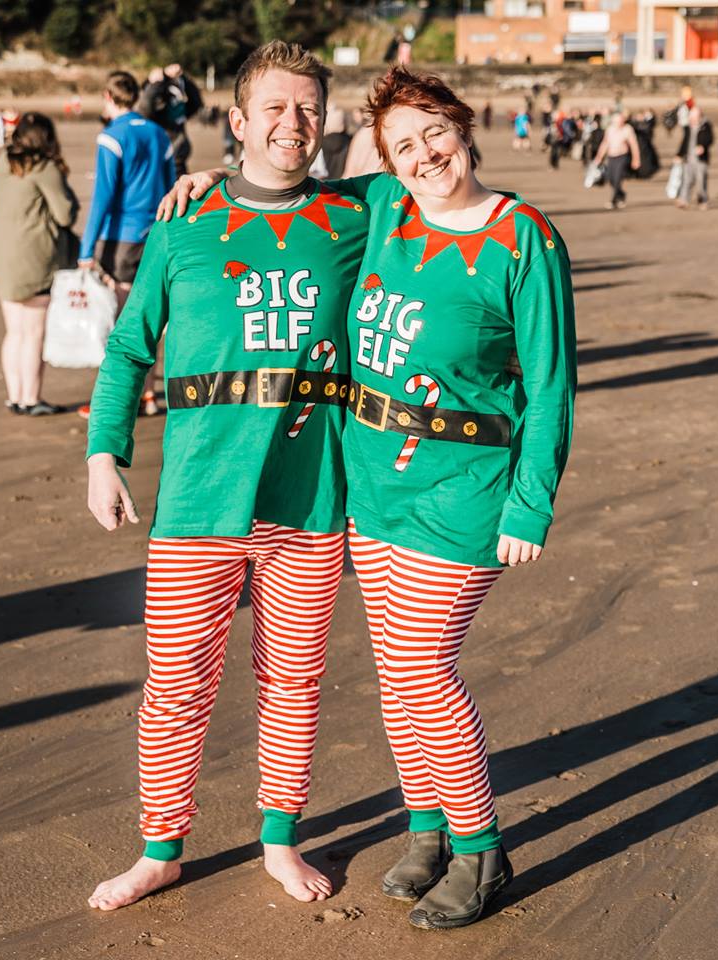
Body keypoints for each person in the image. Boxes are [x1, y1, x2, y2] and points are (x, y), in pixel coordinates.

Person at [163, 64, 575, 933]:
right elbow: (280, 185)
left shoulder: (522, 238)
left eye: (434, 131)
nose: (424, 154)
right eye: (403, 144)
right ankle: (426, 831)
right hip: (368, 485)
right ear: (384, 160)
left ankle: (480, 848)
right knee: (393, 678)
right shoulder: (380, 207)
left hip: (462, 490)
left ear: (464, 127)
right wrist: (209, 177)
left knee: (425, 671)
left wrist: (528, 504)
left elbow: (549, 386)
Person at [85, 41, 370, 913]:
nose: (295, 124)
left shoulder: (364, 215)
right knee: (174, 682)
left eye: (310, 108)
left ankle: (279, 839)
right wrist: (104, 452)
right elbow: (131, 347)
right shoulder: (183, 225)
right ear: (237, 123)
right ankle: (161, 849)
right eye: (275, 109)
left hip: (311, 501)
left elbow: (435, 178)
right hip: (198, 501)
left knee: (293, 680)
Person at [77, 70, 176, 419]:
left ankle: (122, 400)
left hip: (121, 239)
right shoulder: (158, 133)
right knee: (150, 317)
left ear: (108, 96)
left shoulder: (111, 137)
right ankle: (149, 394)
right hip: (155, 234)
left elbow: (102, 198)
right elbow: (171, 187)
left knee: (121, 323)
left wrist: (86, 250)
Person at [0, 112, 79, 415]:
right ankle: (30, 398)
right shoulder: (44, 168)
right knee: (34, 332)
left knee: (14, 331)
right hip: (35, 259)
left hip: (2, 257)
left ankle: (15, 396)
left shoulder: (3, 164)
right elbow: (66, 214)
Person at [138, 63, 203, 177]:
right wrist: (158, 81)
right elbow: (145, 107)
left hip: (177, 160)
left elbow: (196, 103)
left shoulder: (180, 111)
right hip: (160, 161)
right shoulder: (154, 114)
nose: (176, 102)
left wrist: (183, 78)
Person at [593, 112, 640, 209]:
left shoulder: (627, 129)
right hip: (611, 157)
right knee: (611, 179)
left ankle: (613, 201)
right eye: (617, 121)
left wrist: (636, 159)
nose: (619, 123)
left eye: (621, 120)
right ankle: (621, 195)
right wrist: (599, 157)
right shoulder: (610, 129)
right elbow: (605, 143)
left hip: (622, 156)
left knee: (618, 178)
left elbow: (634, 145)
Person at [676, 105, 713, 210]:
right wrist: (679, 154)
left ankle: (703, 201)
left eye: (694, 117)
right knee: (686, 180)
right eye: (691, 117)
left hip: (701, 160)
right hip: (688, 159)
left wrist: (703, 146)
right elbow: (684, 142)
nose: (692, 120)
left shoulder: (705, 126)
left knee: (701, 182)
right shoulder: (688, 128)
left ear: (700, 116)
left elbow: (710, 139)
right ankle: (683, 200)